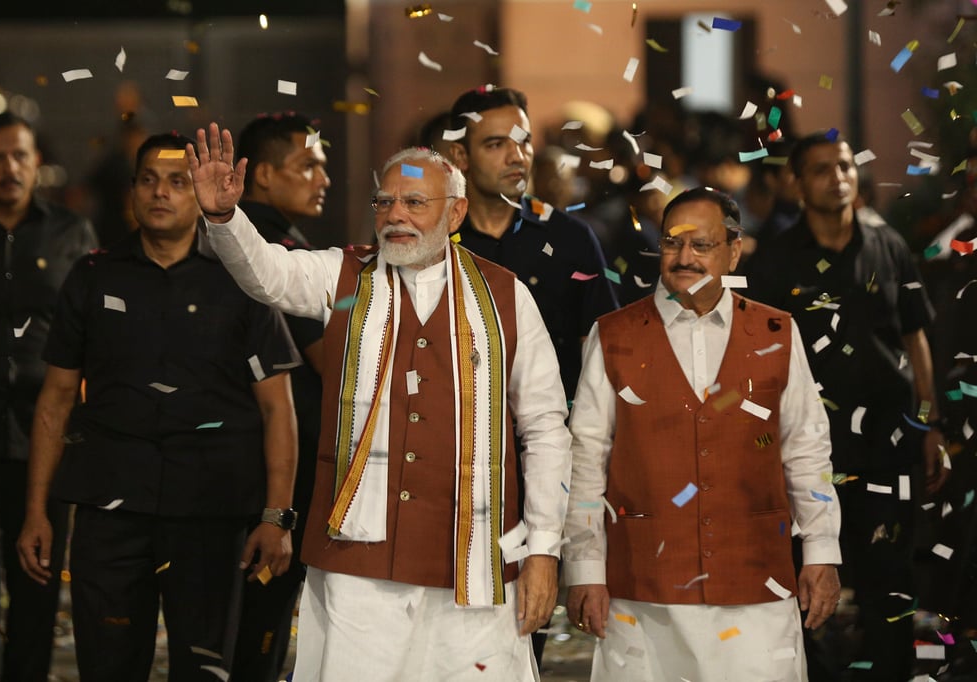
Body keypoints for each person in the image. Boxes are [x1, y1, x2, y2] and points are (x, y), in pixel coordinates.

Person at [188, 122, 572, 681]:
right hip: (358, 558)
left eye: (415, 202)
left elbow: (545, 429)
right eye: (385, 200)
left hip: (474, 556)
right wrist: (224, 218)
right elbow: (269, 275)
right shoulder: (344, 275)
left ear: (455, 213)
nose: (396, 215)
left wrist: (543, 550)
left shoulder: (507, 296)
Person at [16, 132, 299, 680]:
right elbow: (54, 402)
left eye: (176, 181)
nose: (161, 193)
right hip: (109, 509)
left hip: (211, 510)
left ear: (199, 191)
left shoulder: (241, 277)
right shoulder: (94, 276)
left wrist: (276, 516)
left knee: (203, 669)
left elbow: (277, 407)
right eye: (148, 180)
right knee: (107, 665)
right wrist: (37, 511)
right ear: (131, 193)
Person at [564, 186, 842, 681]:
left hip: (756, 581)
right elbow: (586, 461)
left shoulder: (778, 333)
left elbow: (806, 449)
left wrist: (821, 551)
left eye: (701, 245)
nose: (684, 257)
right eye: (672, 243)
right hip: (642, 591)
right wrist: (585, 569)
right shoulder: (613, 335)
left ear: (734, 250)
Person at [746, 131, 948, 681]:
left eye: (843, 166)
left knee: (890, 580)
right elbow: (756, 353)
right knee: (806, 581)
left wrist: (929, 426)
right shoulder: (777, 261)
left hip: (888, 444)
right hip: (806, 451)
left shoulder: (889, 245)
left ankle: (893, 674)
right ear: (796, 182)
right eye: (820, 169)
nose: (836, 177)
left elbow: (915, 338)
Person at [444, 85, 618, 666]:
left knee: (528, 626)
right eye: (496, 143)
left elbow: (603, 350)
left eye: (522, 141)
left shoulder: (569, 238)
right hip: (454, 458)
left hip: (544, 458)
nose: (516, 155)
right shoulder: (434, 240)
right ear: (461, 157)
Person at [0, 111, 98, 682]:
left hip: (48, 437)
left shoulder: (71, 232)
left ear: (37, 162)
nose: (10, 168)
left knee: (38, 585)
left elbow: (91, 333)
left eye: (20, 155)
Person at [229, 111, 330, 680]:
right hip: (276, 472)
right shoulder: (273, 250)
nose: (324, 178)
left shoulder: (251, 238)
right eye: (308, 165)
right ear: (262, 174)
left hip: (248, 467)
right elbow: (333, 360)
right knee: (260, 634)